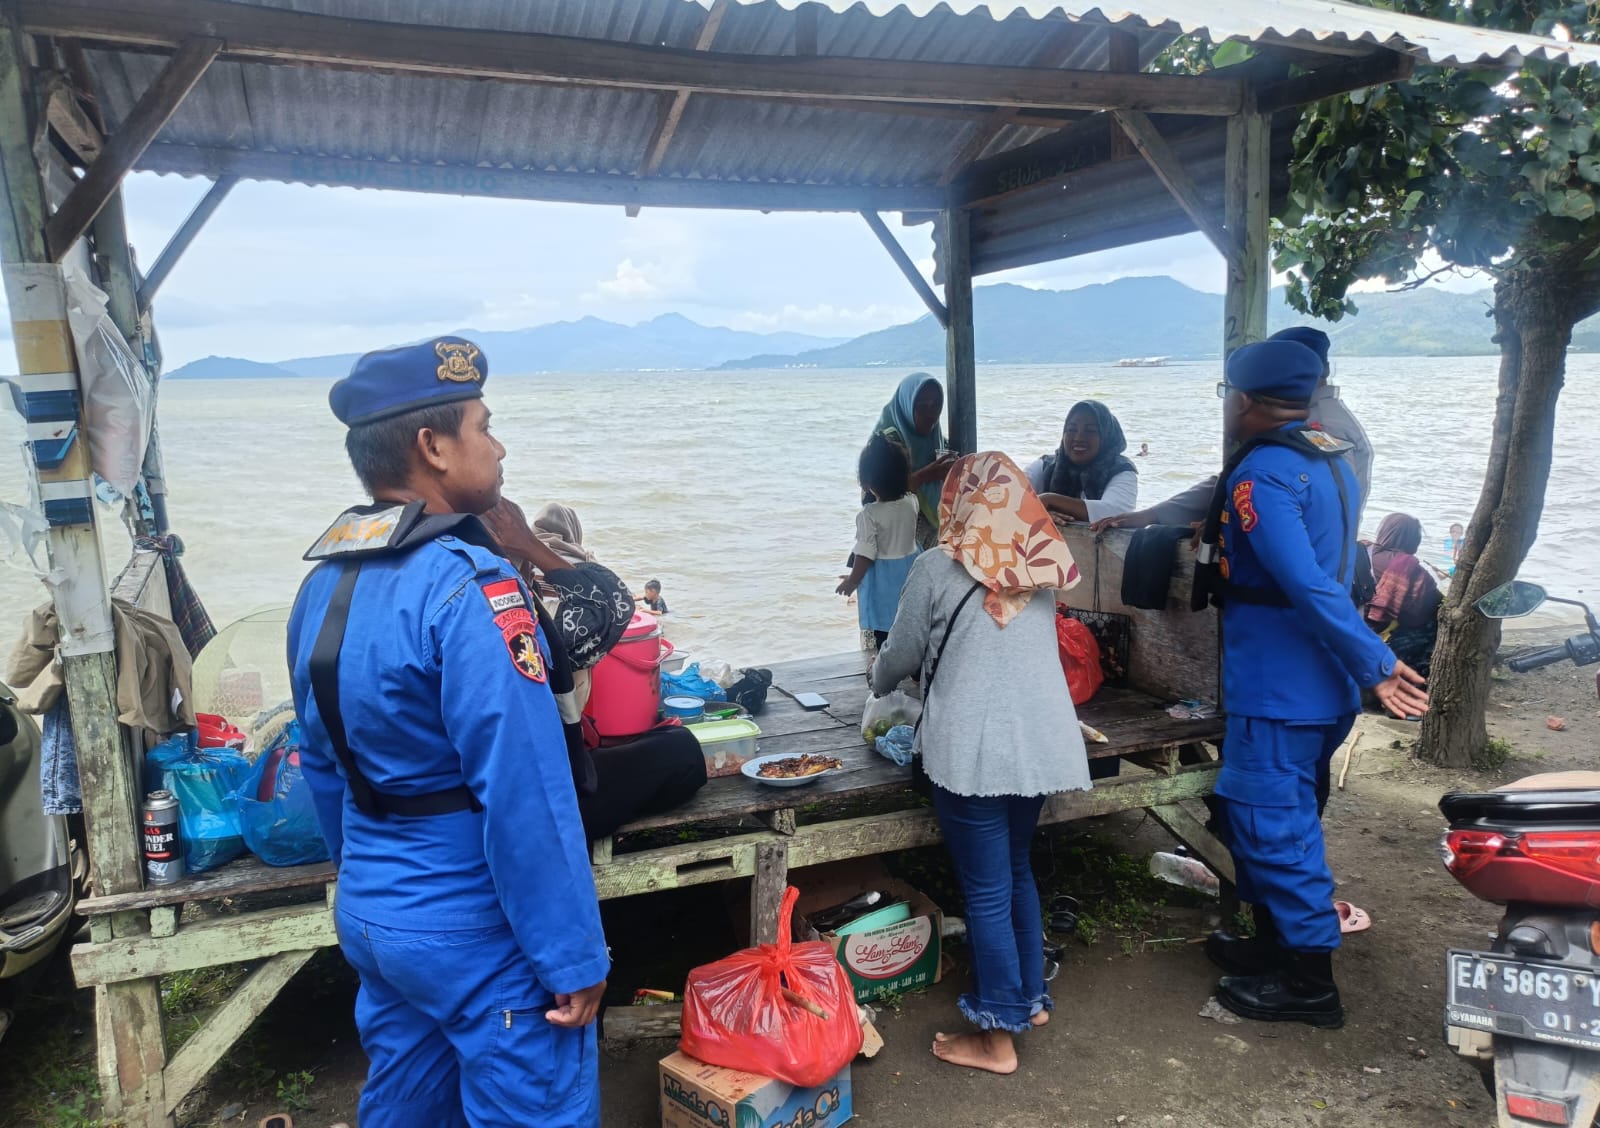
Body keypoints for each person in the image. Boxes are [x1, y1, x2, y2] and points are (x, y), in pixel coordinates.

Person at [286, 337, 609, 1127]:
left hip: (374, 909)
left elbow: (322, 767)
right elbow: (525, 788)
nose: (499, 448)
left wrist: (371, 884)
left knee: (408, 1103)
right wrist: (572, 953)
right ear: (432, 447)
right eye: (484, 427)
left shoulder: (321, 585)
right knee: (535, 1106)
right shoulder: (472, 586)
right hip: (471, 924)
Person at [1195, 339, 1428, 1030]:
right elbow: (1335, 569)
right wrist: (1361, 664)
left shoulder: (1262, 475)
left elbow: (1305, 582)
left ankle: (1308, 982)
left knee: (1274, 827)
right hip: (1318, 687)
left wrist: (1376, 663)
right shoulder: (1330, 458)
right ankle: (1272, 946)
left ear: (1243, 401)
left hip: (1280, 686)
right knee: (1265, 821)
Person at [871, 451, 1089, 1075]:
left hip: (974, 750)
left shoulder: (937, 566)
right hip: (1038, 744)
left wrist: (876, 681)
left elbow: (900, 654)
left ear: (958, 500)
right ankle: (1029, 998)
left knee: (988, 890)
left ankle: (998, 1036)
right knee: (1015, 870)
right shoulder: (1040, 562)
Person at [481, 501, 707, 842]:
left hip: (504, 785)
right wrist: (529, 544)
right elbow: (612, 603)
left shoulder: (468, 606)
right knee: (683, 750)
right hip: (541, 802)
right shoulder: (521, 629)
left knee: (660, 739)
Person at [1092, 327, 1373, 531]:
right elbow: (1229, 482)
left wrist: (1230, 530)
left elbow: (1322, 514)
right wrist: (1155, 514)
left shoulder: (1325, 426)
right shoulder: (1296, 424)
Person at [837, 434, 921, 650]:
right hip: (911, 571)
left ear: (867, 482)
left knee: (885, 632)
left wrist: (852, 581)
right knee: (909, 624)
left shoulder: (869, 515)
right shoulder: (912, 502)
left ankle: (886, 664)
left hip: (884, 582)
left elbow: (865, 554)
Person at [871, 372, 960, 549]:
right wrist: (929, 474)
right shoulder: (886, 444)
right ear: (907, 405)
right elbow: (879, 493)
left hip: (931, 534)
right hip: (896, 539)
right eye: (922, 406)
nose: (930, 414)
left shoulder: (937, 441)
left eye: (936, 405)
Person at [1024, 400, 1139, 524]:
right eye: (1071, 429)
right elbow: (1012, 495)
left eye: (1090, 431)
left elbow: (1114, 512)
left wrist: (1049, 500)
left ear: (1106, 436)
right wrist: (1039, 512)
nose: (1078, 438)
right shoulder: (1046, 465)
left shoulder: (1121, 470)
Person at [1364, 513, 1443, 677]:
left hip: (1356, 623)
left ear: (1384, 532)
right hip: (1392, 635)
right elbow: (1438, 606)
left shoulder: (1360, 552)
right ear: (1414, 541)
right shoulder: (1414, 570)